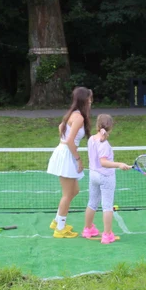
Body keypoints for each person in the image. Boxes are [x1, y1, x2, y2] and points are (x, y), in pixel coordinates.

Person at [47, 87, 92, 238]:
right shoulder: (78, 117)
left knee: (74, 191)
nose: (91, 101)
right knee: (67, 194)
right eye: (90, 98)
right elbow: (70, 140)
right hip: (67, 154)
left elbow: (61, 127)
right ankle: (60, 228)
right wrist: (78, 159)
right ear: (84, 100)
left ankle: (56, 220)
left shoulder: (72, 114)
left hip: (66, 153)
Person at [81, 114, 132, 244]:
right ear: (111, 127)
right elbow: (103, 162)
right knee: (107, 206)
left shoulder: (91, 139)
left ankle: (88, 229)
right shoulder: (104, 143)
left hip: (93, 175)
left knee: (92, 203)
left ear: (97, 125)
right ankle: (107, 235)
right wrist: (119, 164)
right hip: (105, 176)